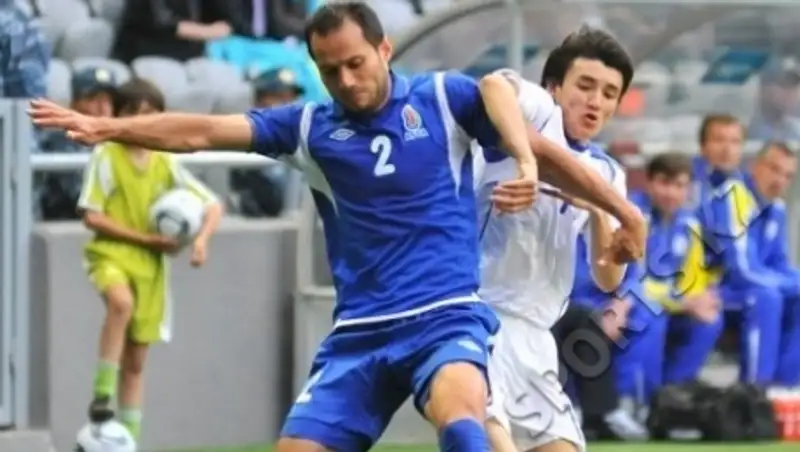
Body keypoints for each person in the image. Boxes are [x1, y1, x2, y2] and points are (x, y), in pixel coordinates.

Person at [30, 3, 645, 451]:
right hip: (360, 334)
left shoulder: (441, 100)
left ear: (384, 50)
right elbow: (202, 131)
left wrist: (623, 210)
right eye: (330, 71)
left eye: (355, 63)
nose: (346, 82)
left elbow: (550, 154)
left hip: (446, 318)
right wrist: (109, 128)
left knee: (465, 424)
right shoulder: (307, 127)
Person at [474, 26, 645, 452]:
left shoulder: (608, 174)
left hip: (536, 336)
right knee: (489, 437)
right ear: (554, 87)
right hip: (479, 316)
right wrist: (528, 163)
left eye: (609, 93)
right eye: (585, 86)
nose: (596, 101)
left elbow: (607, 278)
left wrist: (599, 213)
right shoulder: (536, 114)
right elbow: (493, 85)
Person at [76, 78, 223, 441]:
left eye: (150, 114)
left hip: (152, 268)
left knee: (136, 363)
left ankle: (128, 439)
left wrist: (201, 242)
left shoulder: (165, 161)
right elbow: (92, 215)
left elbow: (213, 205)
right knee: (120, 303)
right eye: (133, 113)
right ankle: (101, 395)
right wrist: (147, 239)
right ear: (119, 117)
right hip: (111, 254)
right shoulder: (106, 155)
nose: (142, 121)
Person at [633, 152, 722, 387]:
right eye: (664, 183)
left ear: (689, 189)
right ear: (649, 182)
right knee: (651, 317)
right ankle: (646, 398)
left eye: (680, 185)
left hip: (673, 305)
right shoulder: (634, 217)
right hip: (633, 305)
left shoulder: (690, 224)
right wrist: (681, 302)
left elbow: (694, 278)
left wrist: (703, 297)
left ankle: (676, 394)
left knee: (710, 320)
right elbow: (633, 281)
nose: (671, 193)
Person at [722, 142, 800, 386]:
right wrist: (788, 284)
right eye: (774, 169)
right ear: (755, 166)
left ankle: (786, 389)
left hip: (755, 288)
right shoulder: (733, 196)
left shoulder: (776, 207)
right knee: (767, 298)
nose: (780, 180)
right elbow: (740, 269)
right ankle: (756, 391)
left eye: (787, 175)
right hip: (720, 289)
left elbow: (779, 262)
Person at [39, 67, 118, 220]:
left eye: (109, 100)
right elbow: (77, 195)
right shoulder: (59, 141)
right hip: (66, 225)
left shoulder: (120, 141)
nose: (103, 107)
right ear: (75, 103)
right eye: (94, 99)